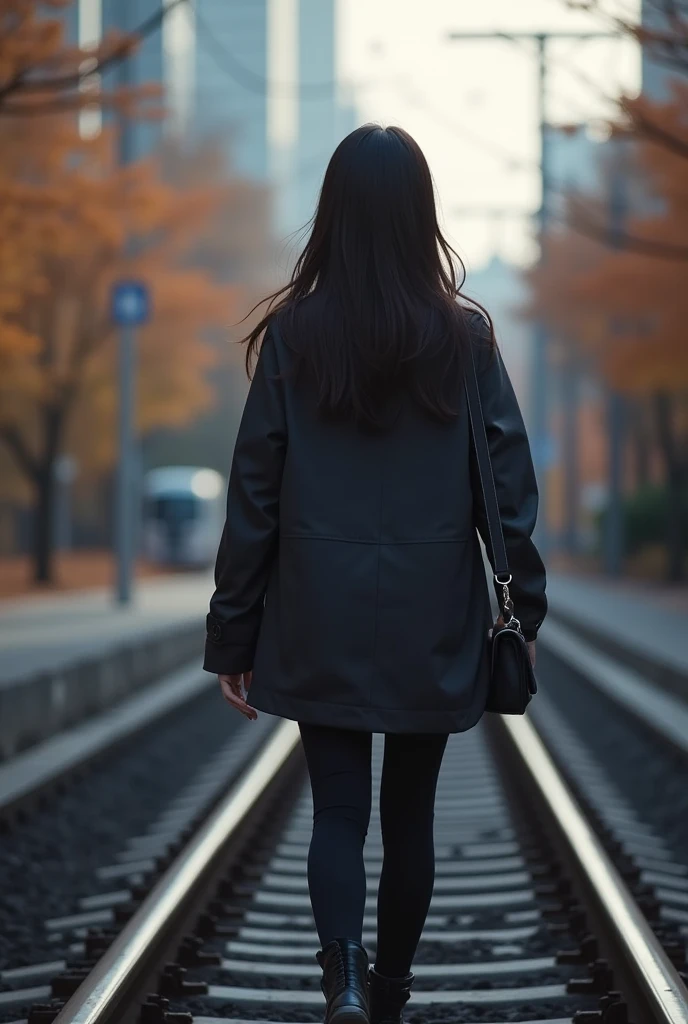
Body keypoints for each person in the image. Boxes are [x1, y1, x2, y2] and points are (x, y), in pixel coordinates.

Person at [203, 124, 547, 1024]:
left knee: (338, 812)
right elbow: (506, 489)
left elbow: (255, 491)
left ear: (334, 216)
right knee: (412, 818)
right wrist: (527, 617)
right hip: (431, 611)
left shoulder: (293, 337)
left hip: (320, 607)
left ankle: (342, 981)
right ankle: (389, 995)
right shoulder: (464, 339)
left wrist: (233, 632)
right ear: (419, 216)